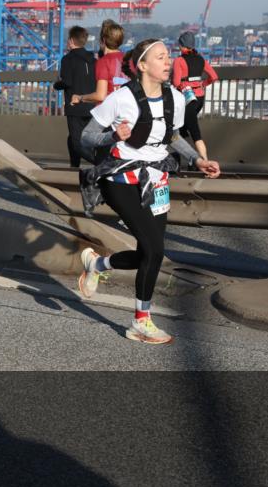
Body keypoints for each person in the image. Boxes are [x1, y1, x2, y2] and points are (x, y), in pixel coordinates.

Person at [77, 38, 221, 345]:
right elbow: (86, 137)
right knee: (154, 249)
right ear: (142, 65)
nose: (168, 62)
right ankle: (140, 322)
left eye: (168, 56)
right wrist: (113, 136)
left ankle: (97, 264)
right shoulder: (121, 98)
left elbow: (173, 137)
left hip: (156, 180)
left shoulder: (175, 98)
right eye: (160, 57)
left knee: (150, 253)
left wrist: (198, 160)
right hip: (120, 179)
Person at [54, 26, 96, 167]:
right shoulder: (94, 59)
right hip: (92, 105)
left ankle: (101, 164)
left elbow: (67, 82)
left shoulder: (67, 59)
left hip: (75, 106)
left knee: (77, 143)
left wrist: (56, 84)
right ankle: (74, 166)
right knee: (72, 138)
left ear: (71, 41)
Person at [173, 31, 218, 162]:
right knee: (182, 129)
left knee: (194, 132)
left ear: (182, 45)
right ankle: (189, 161)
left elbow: (176, 82)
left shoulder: (179, 61)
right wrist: (203, 84)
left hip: (187, 100)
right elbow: (214, 77)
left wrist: (183, 85)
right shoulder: (201, 59)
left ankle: (205, 162)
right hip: (199, 99)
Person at [74, 19, 127, 108]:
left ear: (103, 40)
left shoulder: (103, 61)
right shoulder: (129, 59)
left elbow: (100, 96)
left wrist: (80, 98)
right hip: (126, 109)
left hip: (108, 109)